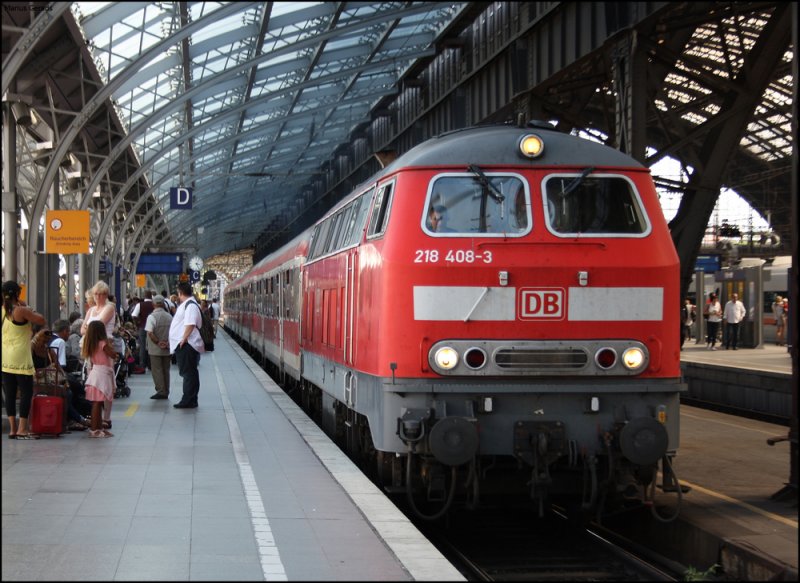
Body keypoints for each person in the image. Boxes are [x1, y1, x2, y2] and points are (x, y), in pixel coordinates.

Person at [2, 281, 47, 439]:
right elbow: (41, 320)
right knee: (26, 392)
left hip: (5, 357)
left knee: (10, 393)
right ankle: (23, 428)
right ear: (17, 294)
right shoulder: (20, 311)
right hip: (21, 357)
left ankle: (13, 429)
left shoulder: (3, 311)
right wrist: (29, 307)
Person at [81, 282, 117, 429]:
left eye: (101, 294)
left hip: (103, 346)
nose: (98, 297)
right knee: (94, 382)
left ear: (106, 295)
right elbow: (83, 329)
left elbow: (97, 327)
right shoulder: (91, 310)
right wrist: (89, 330)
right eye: (96, 294)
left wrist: (89, 329)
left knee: (107, 382)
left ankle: (106, 417)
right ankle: (98, 420)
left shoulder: (109, 308)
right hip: (91, 347)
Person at [169, 282, 205, 409]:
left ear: (180, 292)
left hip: (187, 344)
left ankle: (188, 399)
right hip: (187, 344)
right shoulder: (190, 304)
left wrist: (183, 339)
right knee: (190, 372)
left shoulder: (190, 305)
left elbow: (190, 323)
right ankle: (191, 399)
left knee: (188, 373)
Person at [81, 320, 116, 438]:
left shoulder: (90, 343)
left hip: (95, 374)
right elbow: (113, 354)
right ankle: (95, 429)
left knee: (97, 403)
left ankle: (98, 427)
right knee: (98, 403)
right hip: (102, 375)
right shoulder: (102, 344)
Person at [145, 295, 173, 400]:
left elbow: (150, 333)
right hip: (167, 348)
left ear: (153, 304)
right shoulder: (169, 316)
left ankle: (161, 391)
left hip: (155, 349)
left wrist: (158, 342)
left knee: (157, 370)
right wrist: (167, 343)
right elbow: (173, 332)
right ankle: (166, 391)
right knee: (166, 369)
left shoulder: (151, 317)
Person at [131, 290, 154, 371]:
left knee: (142, 346)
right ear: (151, 296)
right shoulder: (154, 305)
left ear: (144, 296)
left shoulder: (140, 305)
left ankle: (142, 364)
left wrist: (137, 323)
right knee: (152, 346)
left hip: (143, 327)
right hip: (153, 328)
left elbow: (133, 315)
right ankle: (151, 364)